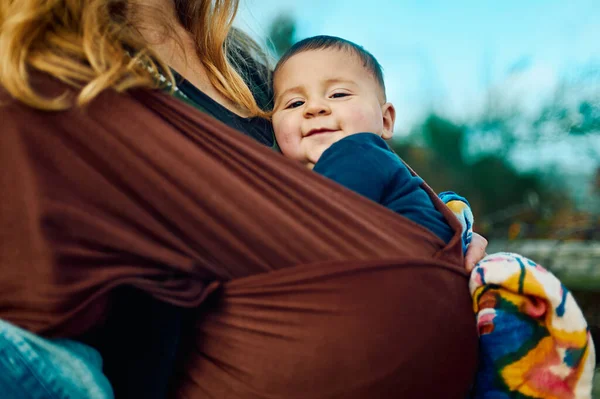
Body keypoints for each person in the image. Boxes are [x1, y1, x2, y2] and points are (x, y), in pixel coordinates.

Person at [0, 1, 489, 398]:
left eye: (333, 95)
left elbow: (333, 192)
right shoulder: (37, 64)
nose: (312, 107)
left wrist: (438, 223)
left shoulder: (248, 67)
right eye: (297, 104)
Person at [272, 35, 469, 248]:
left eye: (338, 94)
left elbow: (314, 227)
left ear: (385, 120)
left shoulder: (358, 151)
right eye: (295, 103)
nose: (314, 108)